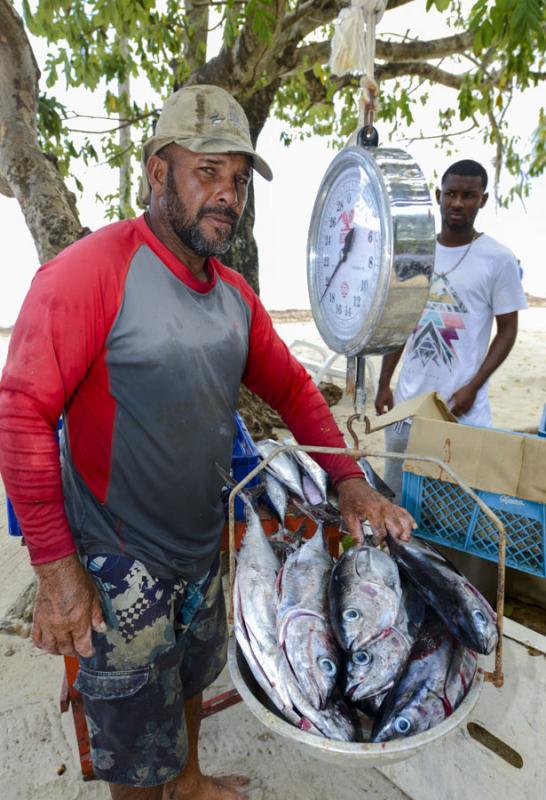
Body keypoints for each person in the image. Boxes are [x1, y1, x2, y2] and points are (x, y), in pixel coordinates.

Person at [0, 85, 414, 800]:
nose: (227, 195)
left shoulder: (232, 297)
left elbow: (292, 389)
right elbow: (21, 414)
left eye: (239, 179)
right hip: (117, 559)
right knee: (132, 742)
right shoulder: (89, 274)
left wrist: (348, 478)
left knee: (193, 674)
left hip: (201, 543)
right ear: (158, 173)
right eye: (207, 173)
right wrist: (59, 574)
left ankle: (189, 782)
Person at [374, 159, 527, 503]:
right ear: (438, 194)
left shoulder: (498, 259)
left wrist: (473, 386)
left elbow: (507, 331)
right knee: (396, 500)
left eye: (469, 195)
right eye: (451, 194)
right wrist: (385, 382)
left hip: (462, 409)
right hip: (407, 405)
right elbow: (401, 319)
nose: (458, 202)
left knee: (454, 508)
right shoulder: (417, 251)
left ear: (483, 200)